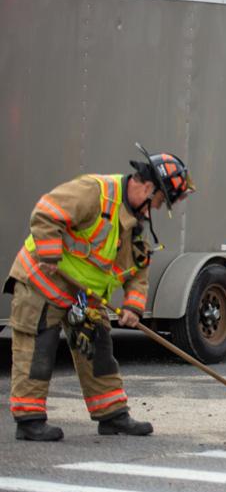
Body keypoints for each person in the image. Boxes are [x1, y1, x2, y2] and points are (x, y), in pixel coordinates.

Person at [6, 147, 194, 441]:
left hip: (83, 297)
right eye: (158, 200)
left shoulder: (134, 224)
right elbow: (47, 212)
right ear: (147, 186)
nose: (155, 208)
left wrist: (133, 307)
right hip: (42, 282)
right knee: (37, 353)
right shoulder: (95, 192)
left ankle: (112, 416)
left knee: (99, 351)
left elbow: (137, 270)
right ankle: (29, 420)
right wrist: (50, 253)